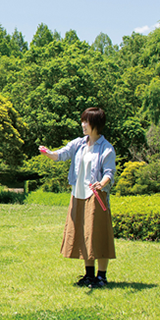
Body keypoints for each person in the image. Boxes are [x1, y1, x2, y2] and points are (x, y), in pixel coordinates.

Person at [39, 107, 116, 288]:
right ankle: (89, 275)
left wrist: (102, 183)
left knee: (99, 235)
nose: (83, 125)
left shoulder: (106, 148)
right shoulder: (79, 143)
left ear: (96, 124)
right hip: (78, 195)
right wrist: (50, 153)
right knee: (84, 234)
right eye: (82, 121)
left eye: (86, 122)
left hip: (96, 196)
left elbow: (109, 173)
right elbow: (62, 153)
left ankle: (101, 276)